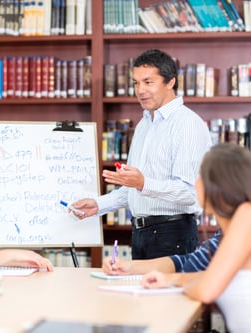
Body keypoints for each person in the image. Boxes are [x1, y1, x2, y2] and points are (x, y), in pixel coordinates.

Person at [71, 49, 212, 259]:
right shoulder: (144, 125)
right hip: (140, 234)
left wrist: (143, 183)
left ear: (170, 82)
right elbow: (133, 189)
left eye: (148, 82)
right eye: (136, 83)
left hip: (172, 235)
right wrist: (99, 204)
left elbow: (190, 193)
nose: (140, 90)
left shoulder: (187, 124)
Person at [141, 144, 251, 332]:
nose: (195, 183)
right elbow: (213, 277)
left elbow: (206, 290)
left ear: (218, 185)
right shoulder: (235, 227)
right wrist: (169, 280)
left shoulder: (246, 216)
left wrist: (186, 284)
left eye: (200, 176)